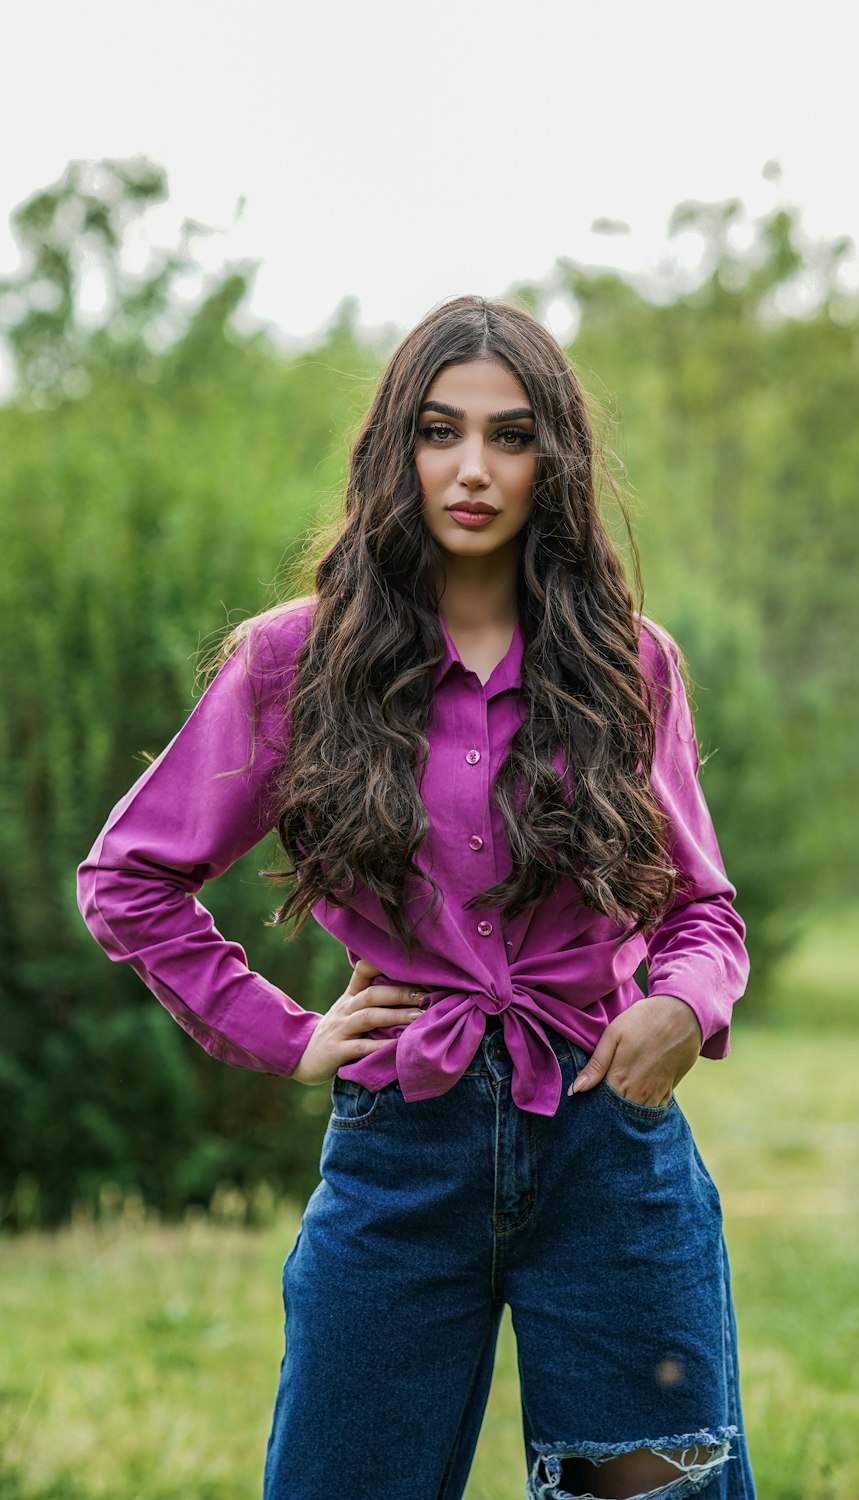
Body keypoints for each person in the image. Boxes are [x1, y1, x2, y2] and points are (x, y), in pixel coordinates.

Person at [77, 294, 755, 1500]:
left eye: (511, 436)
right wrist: (283, 1035)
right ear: (397, 453)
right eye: (441, 433)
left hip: (609, 1157)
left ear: (557, 460)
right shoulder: (295, 662)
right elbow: (130, 878)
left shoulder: (626, 663)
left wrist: (683, 1009)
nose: (474, 468)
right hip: (401, 1158)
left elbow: (702, 908)